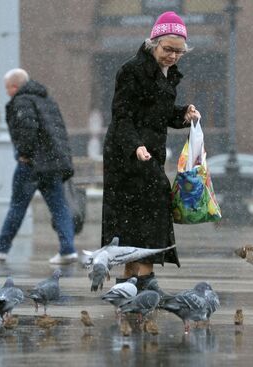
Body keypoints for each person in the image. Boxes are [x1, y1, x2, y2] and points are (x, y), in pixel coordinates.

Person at [101, 11, 201, 290]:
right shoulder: (132, 70)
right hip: (126, 153)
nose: (172, 56)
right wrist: (135, 147)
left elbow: (159, 113)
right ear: (153, 43)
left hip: (149, 153)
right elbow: (121, 116)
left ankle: (131, 281)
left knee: (140, 214)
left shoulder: (167, 73)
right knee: (145, 211)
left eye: (179, 52)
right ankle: (142, 279)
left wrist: (184, 114)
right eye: (168, 49)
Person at [0, 68, 78, 265]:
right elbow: (59, 132)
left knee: (17, 206)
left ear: (14, 86)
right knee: (59, 208)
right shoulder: (46, 100)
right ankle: (68, 249)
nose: (7, 92)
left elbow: (28, 131)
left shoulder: (22, 101)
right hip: (52, 164)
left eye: (8, 88)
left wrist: (24, 154)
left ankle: (0, 248)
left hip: (32, 164)